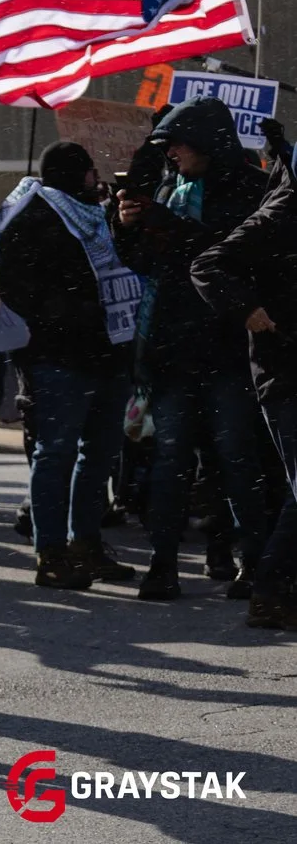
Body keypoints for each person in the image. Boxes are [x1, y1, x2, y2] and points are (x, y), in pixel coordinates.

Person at [115, 98, 273, 596]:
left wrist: (164, 224)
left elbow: (220, 253)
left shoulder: (250, 187)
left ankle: (255, 563)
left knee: (237, 458)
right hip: (170, 348)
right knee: (171, 459)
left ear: (208, 142)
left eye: (179, 142)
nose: (173, 152)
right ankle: (162, 565)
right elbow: (149, 263)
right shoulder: (170, 186)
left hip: (228, 348)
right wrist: (127, 225)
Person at [0, 141, 141, 589]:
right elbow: (14, 291)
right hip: (58, 358)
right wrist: (67, 320)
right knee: (56, 454)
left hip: (109, 352)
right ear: (78, 174)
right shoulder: (31, 216)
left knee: (98, 456)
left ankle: (86, 545)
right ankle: (52, 552)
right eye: (90, 172)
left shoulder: (98, 215)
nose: (96, 180)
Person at [190, 159, 297, 629]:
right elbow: (208, 265)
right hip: (286, 372)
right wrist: (249, 309)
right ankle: (270, 589)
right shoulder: (283, 210)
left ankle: (274, 590)